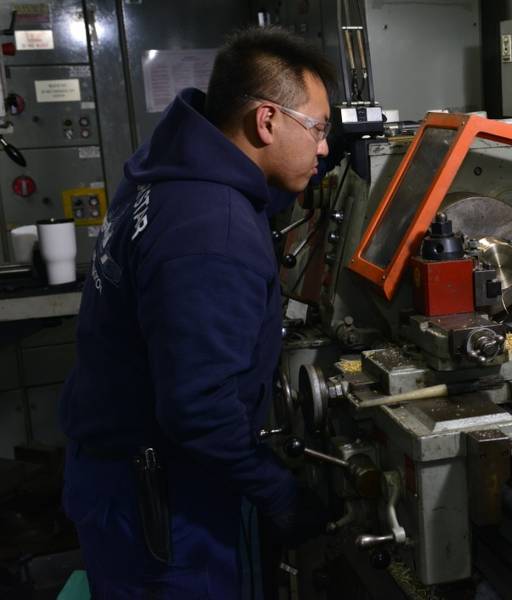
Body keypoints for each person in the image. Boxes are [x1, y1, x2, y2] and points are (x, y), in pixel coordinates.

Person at [58, 26, 334, 598]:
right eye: (318, 129)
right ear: (266, 122)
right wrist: (278, 493)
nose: (324, 149)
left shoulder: (167, 168)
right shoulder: (215, 229)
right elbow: (198, 408)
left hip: (117, 472)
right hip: (161, 498)